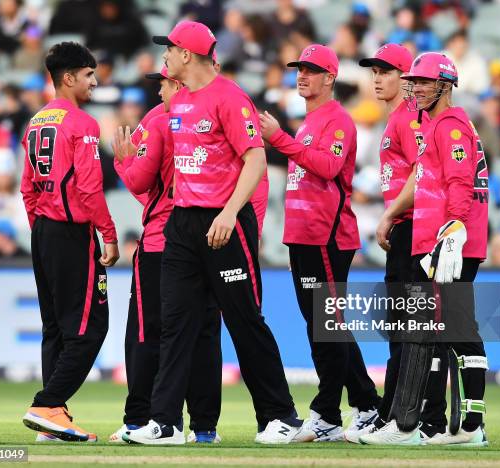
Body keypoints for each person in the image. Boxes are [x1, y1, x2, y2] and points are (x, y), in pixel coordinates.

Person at [123, 21, 301, 445]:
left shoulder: (230, 97)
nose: (164, 56)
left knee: (244, 320)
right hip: (183, 225)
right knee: (176, 324)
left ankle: (280, 416)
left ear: (187, 54)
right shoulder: (178, 102)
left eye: (169, 49)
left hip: (226, 224)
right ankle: (164, 423)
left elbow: (256, 162)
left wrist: (229, 213)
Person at [360, 52, 489, 447]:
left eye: (424, 82)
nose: (415, 88)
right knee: (452, 331)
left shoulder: (449, 125)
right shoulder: (436, 123)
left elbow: (460, 183)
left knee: (431, 330)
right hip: (444, 239)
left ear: (445, 86)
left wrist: (452, 230)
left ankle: (409, 425)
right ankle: (466, 427)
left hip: (449, 241)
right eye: (413, 81)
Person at [259, 44, 381, 442]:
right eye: (299, 70)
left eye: (311, 70)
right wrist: (294, 239)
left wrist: (280, 139)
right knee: (326, 328)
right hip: (307, 239)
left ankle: (327, 412)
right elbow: (302, 185)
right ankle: (366, 404)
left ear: (330, 77)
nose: (302, 76)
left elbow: (327, 168)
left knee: (326, 328)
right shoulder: (310, 123)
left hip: (328, 238)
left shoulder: (337, 121)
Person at [109, 66, 223, 444]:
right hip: (209, 239)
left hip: (162, 242)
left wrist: (123, 161)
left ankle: (140, 420)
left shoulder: (158, 121)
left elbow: (140, 181)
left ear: (176, 82)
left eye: (161, 83)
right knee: (204, 334)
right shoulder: (217, 112)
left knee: (148, 332)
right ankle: (205, 428)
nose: (158, 92)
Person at [20, 42, 119, 443]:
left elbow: (28, 189)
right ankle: (48, 403)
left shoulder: (35, 122)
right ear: (69, 78)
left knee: (55, 330)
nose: (94, 82)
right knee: (91, 328)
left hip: (44, 232)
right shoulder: (82, 124)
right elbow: (91, 188)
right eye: (89, 75)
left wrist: (41, 228)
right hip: (72, 234)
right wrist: (108, 235)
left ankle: (53, 419)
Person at [352, 43, 448, 442]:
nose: (378, 79)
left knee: (414, 327)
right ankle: (397, 412)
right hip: (407, 226)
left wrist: (390, 215)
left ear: (406, 78)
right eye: (374, 72)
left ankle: (420, 417)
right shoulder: (399, 118)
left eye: (387, 72)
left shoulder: (410, 120)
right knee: (403, 326)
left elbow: (422, 173)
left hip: (414, 227)